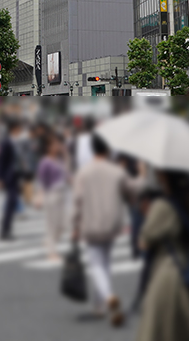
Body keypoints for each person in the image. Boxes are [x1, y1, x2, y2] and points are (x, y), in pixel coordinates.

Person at [134, 172, 189, 341]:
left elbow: (143, 243)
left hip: (166, 273)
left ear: (166, 177)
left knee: (158, 330)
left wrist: (146, 215)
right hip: (187, 268)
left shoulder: (161, 205)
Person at [72, 135, 134, 326]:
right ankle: (99, 305)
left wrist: (75, 225)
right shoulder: (117, 171)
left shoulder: (83, 172)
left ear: (92, 149)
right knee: (105, 261)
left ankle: (107, 297)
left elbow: (77, 202)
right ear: (108, 150)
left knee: (96, 264)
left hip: (91, 222)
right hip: (113, 222)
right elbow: (130, 193)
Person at [38, 134, 70, 261]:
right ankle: (52, 252)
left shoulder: (60, 160)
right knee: (51, 225)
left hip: (62, 193)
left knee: (63, 224)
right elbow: (41, 181)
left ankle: (49, 242)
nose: (57, 146)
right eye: (54, 144)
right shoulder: (45, 162)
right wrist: (39, 197)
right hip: (51, 194)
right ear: (47, 147)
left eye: (57, 144)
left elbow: (68, 175)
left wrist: (66, 155)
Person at [0, 119, 22, 240]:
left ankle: (7, 230)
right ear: (13, 129)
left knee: (12, 203)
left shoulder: (16, 142)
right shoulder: (6, 142)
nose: (20, 130)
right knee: (10, 203)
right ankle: (4, 231)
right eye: (19, 128)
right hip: (8, 177)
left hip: (15, 176)